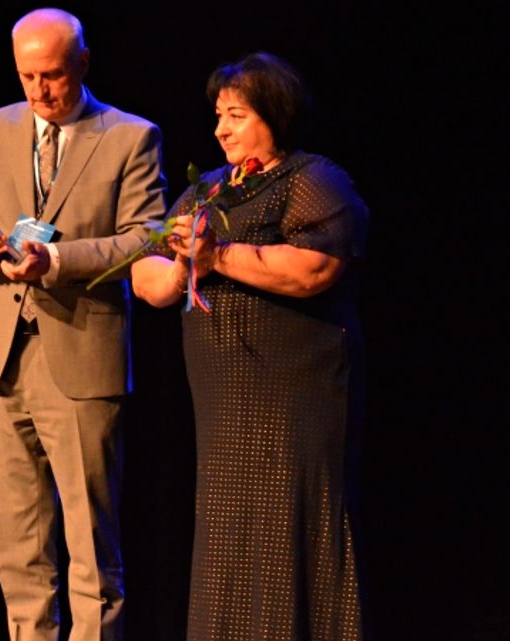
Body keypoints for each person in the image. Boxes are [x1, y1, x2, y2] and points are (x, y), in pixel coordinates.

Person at [0, 8, 167, 641]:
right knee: (18, 544)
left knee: (91, 543)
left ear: (84, 64)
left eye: (54, 76)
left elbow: (147, 238)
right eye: (28, 77)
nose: (41, 91)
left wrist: (58, 259)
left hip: (79, 355)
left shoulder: (130, 136)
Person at [131, 51, 369, 641]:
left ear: (274, 114)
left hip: (295, 393)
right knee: (231, 528)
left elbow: (313, 270)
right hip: (226, 400)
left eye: (235, 115)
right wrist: (185, 259)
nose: (220, 129)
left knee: (290, 521)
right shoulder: (207, 191)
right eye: (218, 115)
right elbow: (151, 280)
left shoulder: (312, 179)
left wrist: (218, 258)